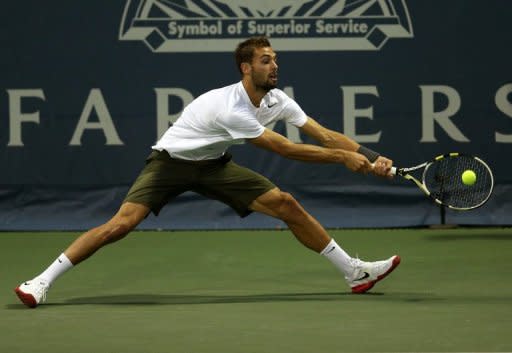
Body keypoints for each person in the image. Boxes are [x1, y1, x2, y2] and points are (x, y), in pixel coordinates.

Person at [15, 36, 400, 308]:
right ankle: (41, 281)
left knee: (286, 204)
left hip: (214, 165)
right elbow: (283, 148)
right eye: (266, 60)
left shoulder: (278, 99)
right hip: (171, 163)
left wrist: (371, 156)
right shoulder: (229, 106)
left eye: (276, 59)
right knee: (121, 225)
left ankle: (354, 273)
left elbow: (325, 135)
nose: (274, 65)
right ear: (246, 68)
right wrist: (341, 160)